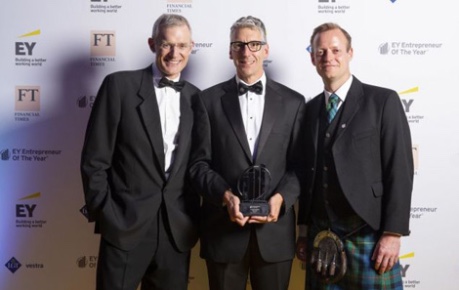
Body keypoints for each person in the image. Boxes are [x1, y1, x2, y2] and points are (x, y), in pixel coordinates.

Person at [80, 14, 200, 290]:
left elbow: (198, 164)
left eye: (182, 46)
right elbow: (94, 160)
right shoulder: (119, 86)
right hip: (124, 227)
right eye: (166, 44)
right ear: (152, 44)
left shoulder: (197, 98)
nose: (174, 53)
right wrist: (108, 215)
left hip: (176, 232)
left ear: (191, 47)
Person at [189, 15, 305, 290]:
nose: (246, 52)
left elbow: (300, 166)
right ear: (230, 51)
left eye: (254, 44)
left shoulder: (293, 102)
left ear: (266, 50)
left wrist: (281, 199)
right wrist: (225, 197)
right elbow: (198, 165)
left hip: (275, 237)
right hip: (223, 233)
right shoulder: (207, 101)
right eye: (239, 45)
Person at [296, 22, 414, 289]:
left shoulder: (382, 101)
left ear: (350, 53)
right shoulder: (310, 110)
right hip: (321, 237)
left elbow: (400, 169)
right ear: (312, 57)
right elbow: (307, 176)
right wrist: (303, 230)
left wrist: (393, 233)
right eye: (321, 51)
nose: (329, 57)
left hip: (369, 238)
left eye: (336, 50)